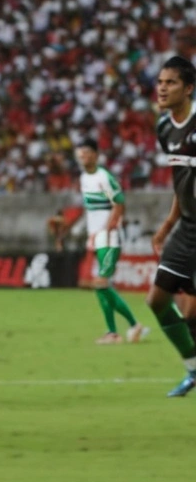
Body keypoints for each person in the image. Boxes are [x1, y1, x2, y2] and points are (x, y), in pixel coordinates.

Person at [145, 55, 196, 397]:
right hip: (187, 227)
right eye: (161, 82)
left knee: (192, 312)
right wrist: (168, 223)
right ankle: (193, 368)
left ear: (189, 88)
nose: (162, 88)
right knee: (157, 300)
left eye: (171, 83)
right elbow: (181, 181)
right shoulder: (165, 128)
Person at [74, 141, 145, 344]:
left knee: (101, 283)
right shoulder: (84, 178)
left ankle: (130, 325)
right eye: (81, 154)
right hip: (96, 238)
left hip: (109, 238)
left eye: (87, 153)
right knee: (101, 286)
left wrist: (108, 228)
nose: (83, 157)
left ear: (96, 155)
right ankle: (114, 332)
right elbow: (92, 210)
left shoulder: (104, 177)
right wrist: (89, 233)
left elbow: (119, 202)